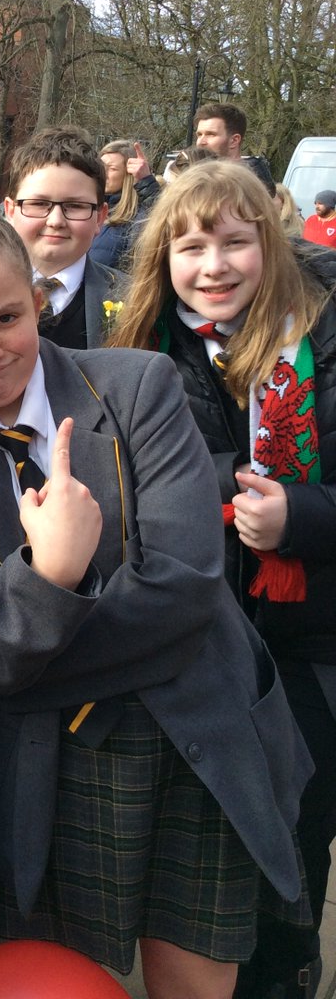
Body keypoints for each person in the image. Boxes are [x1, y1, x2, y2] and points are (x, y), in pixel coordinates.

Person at [0, 204, 311, 999]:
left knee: (193, 982)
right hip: (47, 774)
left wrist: (30, 648)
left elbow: (186, 585)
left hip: (196, 736)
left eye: (8, 316)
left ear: (39, 299)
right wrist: (48, 574)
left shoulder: (134, 386)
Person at [109, 158, 336, 998]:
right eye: (190, 245)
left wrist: (301, 518)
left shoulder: (323, 337)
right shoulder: (138, 352)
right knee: (202, 861)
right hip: (194, 654)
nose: (213, 267)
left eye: (235, 242)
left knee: (291, 850)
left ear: (269, 245)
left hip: (309, 650)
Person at [4, 127, 125, 349]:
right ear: (10, 211)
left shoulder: (132, 299)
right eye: (39, 204)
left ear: (100, 217)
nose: (56, 221)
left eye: (75, 206)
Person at [90, 138, 160, 269]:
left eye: (111, 168)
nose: (103, 173)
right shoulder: (89, 208)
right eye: (101, 167)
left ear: (128, 175)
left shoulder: (138, 217)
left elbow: (166, 220)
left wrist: (146, 182)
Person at [194, 101, 276, 196]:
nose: (201, 142)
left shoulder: (252, 187)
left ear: (234, 140)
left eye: (211, 134)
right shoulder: (196, 177)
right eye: (199, 135)